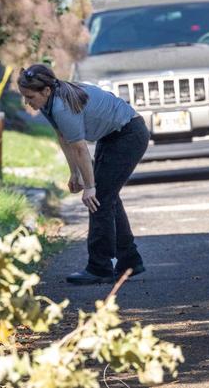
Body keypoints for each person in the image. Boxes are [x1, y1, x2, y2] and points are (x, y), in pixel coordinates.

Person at [17, 64, 150, 285]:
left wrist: (89, 186)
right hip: (113, 135)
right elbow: (63, 137)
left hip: (129, 134)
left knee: (99, 199)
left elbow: (80, 148)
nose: (27, 102)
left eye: (30, 97)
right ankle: (129, 260)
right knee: (107, 197)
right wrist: (74, 173)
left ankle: (100, 268)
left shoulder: (60, 106)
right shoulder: (49, 102)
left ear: (46, 91)